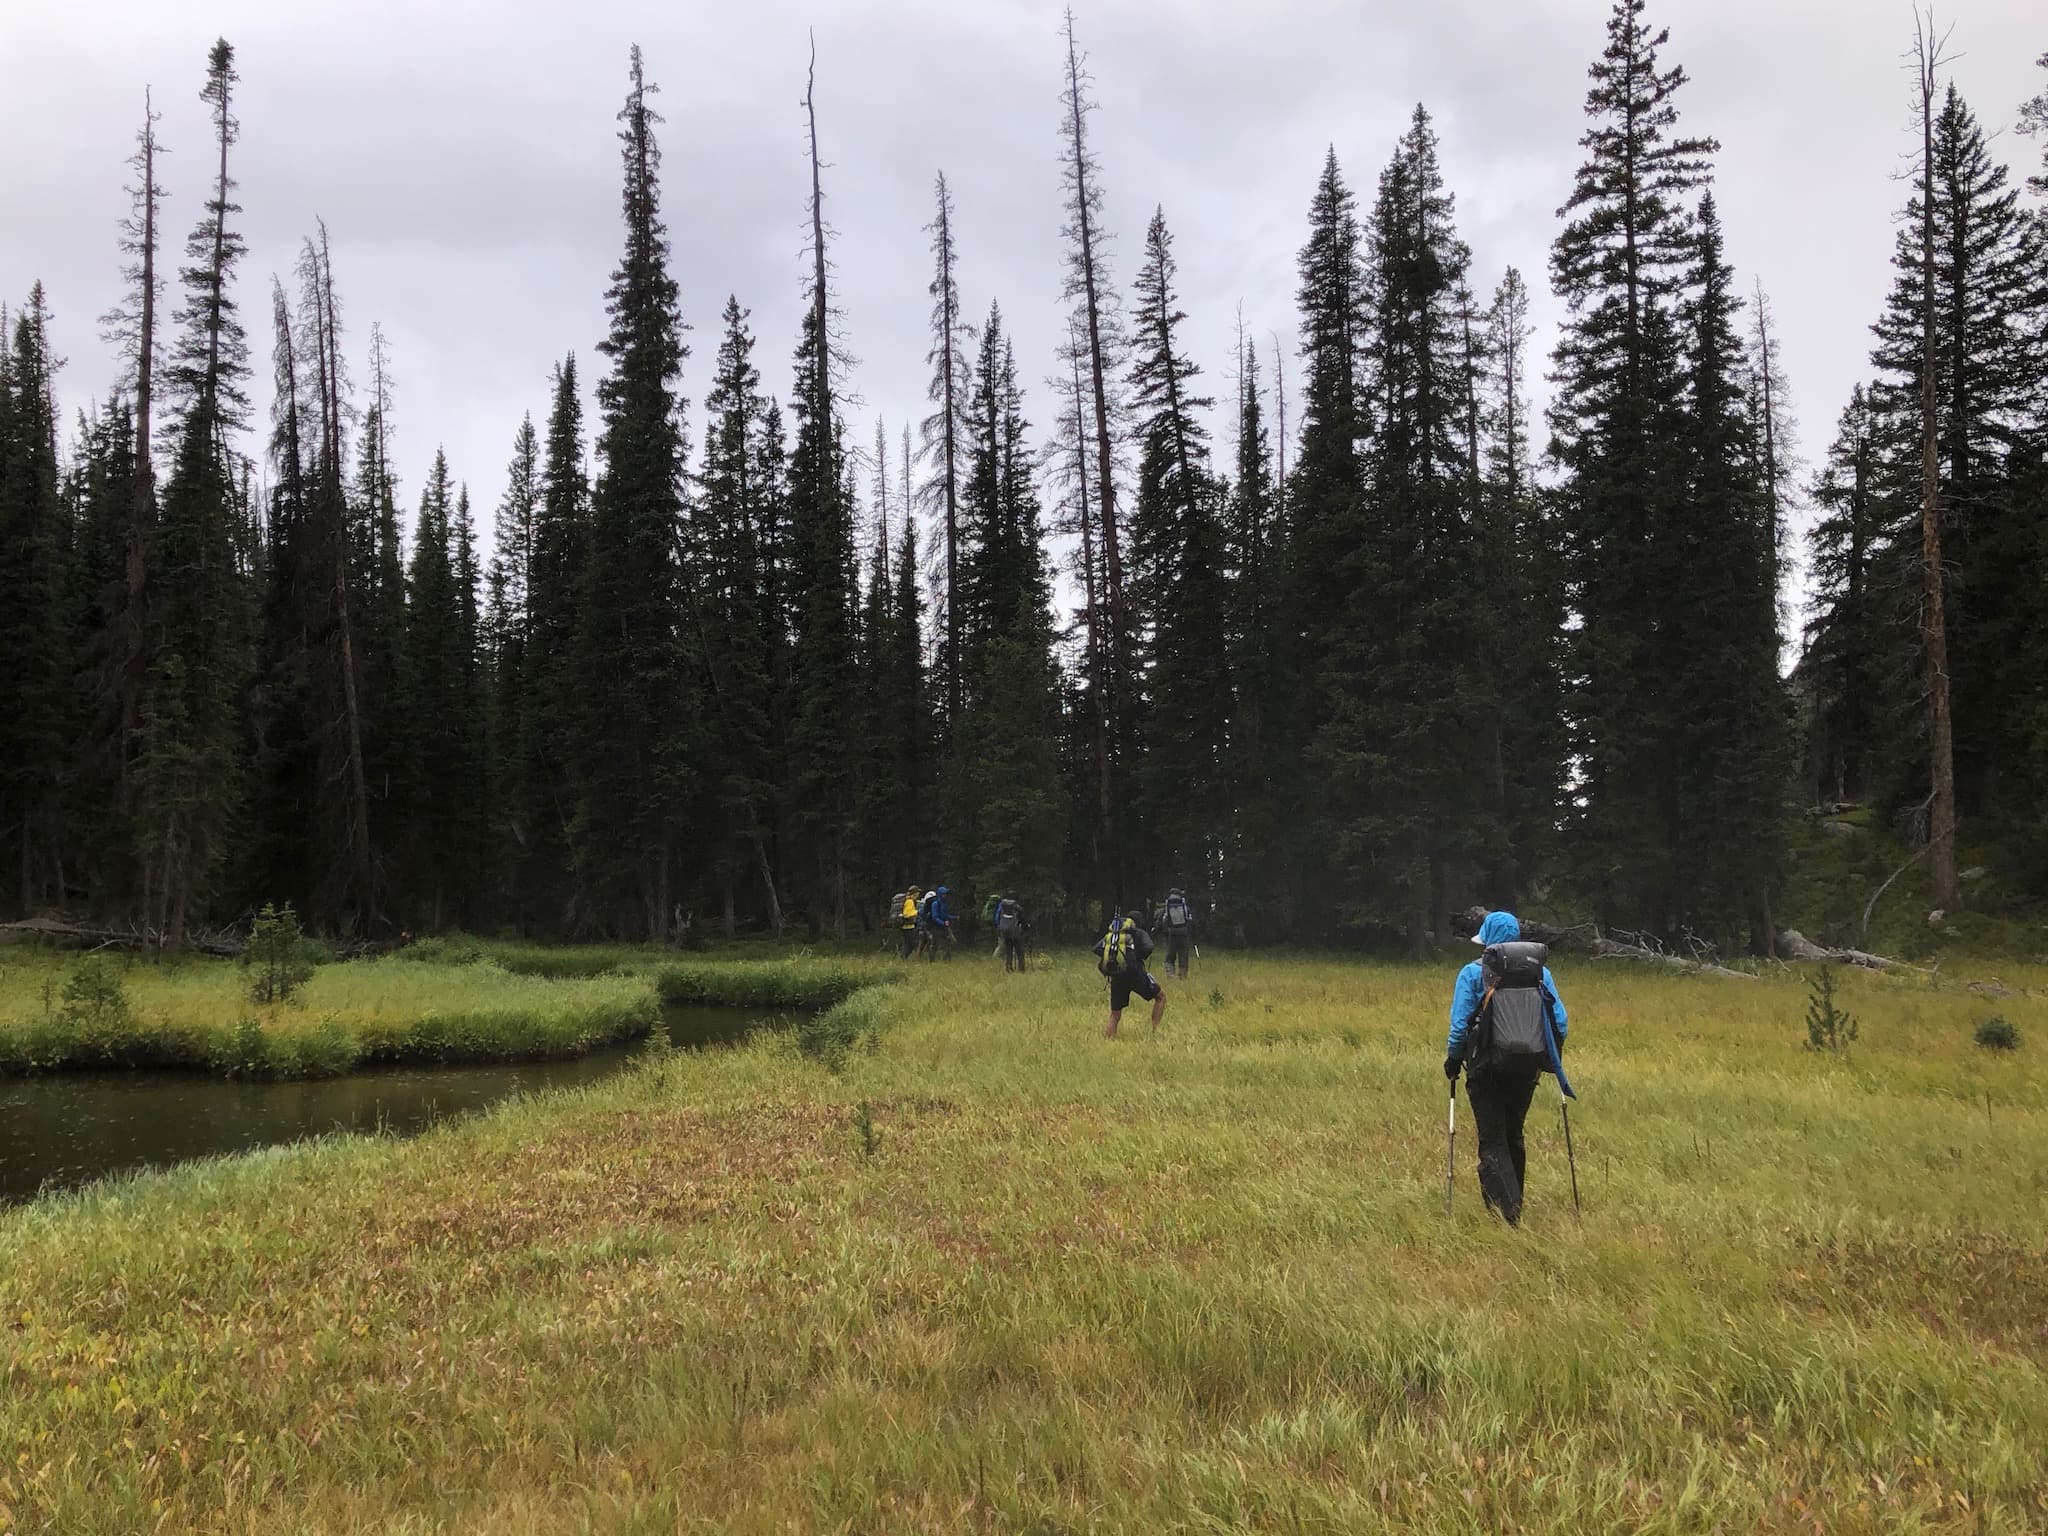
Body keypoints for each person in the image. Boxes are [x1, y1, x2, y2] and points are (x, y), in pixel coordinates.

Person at [1444, 910, 1571, 1226]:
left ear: (1487, 940)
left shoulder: (1473, 973)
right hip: (1527, 1069)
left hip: (1485, 1069)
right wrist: (1550, 1059)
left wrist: (1453, 1059)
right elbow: (1561, 1023)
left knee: (1493, 1139)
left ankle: (1505, 1215)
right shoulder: (1541, 973)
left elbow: (1460, 1026)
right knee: (1514, 1134)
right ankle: (1514, 1207)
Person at [1094, 911, 1165, 1038]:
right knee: (1160, 997)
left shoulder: (1114, 935)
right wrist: (1135, 957)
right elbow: (1149, 947)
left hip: (1117, 974)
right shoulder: (1138, 932)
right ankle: (1155, 1031)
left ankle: (1109, 1040)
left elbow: (1097, 948)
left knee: (1115, 1014)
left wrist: (1113, 959)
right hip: (1135, 974)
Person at [1154, 887, 1195, 979]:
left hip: (1172, 933)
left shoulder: (1168, 906)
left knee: (1170, 955)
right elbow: (1190, 920)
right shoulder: (1184, 907)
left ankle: (1170, 974)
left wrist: (1162, 930)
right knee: (1183, 954)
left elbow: (1164, 920)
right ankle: (1182, 975)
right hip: (1184, 933)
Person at [994, 895, 1027, 972]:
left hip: (1005, 932)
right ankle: (1021, 969)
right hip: (1016, 932)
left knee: (1009, 951)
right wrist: (1026, 928)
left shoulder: (1002, 907)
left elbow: (998, 920)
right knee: (1020, 951)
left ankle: (1008, 968)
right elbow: (1023, 920)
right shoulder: (1017, 907)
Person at [924, 885, 957, 960]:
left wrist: (953, 917)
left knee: (951, 941)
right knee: (935, 944)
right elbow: (935, 917)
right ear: (940, 894)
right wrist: (943, 923)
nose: (945, 895)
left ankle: (946, 959)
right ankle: (932, 960)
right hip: (936, 927)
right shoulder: (935, 904)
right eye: (944, 894)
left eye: (946, 894)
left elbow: (945, 914)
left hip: (944, 926)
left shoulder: (944, 903)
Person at [897, 887, 922, 960]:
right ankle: (903, 958)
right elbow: (906, 914)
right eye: (917, 892)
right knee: (909, 944)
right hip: (908, 926)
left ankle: (903, 958)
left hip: (908, 926)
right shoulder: (909, 901)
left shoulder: (910, 901)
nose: (918, 894)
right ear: (914, 893)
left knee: (908, 943)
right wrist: (917, 912)